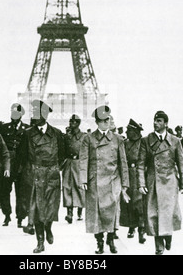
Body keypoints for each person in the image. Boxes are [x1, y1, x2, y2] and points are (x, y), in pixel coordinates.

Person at [79, 105, 129, 254]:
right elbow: (84, 160)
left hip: (113, 181)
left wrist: (125, 183)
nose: (106, 122)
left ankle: (111, 240)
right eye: (102, 120)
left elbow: (123, 162)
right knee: (96, 214)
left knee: (113, 212)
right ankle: (99, 242)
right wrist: (83, 180)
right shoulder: (88, 138)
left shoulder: (118, 139)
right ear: (97, 122)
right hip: (95, 181)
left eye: (107, 119)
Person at [16, 99, 65, 253]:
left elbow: (63, 154)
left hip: (52, 174)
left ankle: (48, 227)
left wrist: (55, 168)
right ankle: (40, 242)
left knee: (50, 208)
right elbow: (21, 155)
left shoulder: (56, 133)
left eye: (36, 113)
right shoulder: (28, 134)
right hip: (35, 174)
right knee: (37, 210)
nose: (34, 116)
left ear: (44, 114)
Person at [137, 111, 183, 255]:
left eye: (159, 121)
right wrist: (141, 183)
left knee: (168, 212)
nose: (155, 123)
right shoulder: (146, 140)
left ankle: (168, 235)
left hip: (170, 182)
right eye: (154, 120)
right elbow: (141, 164)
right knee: (153, 213)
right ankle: (158, 246)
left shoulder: (175, 141)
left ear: (166, 123)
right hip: (152, 182)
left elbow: (182, 164)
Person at [0, 103, 32, 232]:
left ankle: (20, 217)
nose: (14, 116)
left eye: (17, 113)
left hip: (21, 162)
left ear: (21, 115)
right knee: (5, 190)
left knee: (21, 192)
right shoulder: (4, 128)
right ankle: (7, 214)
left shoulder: (27, 129)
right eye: (12, 113)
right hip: (8, 163)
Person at [120, 119, 146, 244]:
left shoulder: (143, 143)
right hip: (127, 174)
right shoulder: (125, 143)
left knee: (139, 202)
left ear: (135, 131)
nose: (126, 132)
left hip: (139, 174)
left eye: (129, 130)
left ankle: (141, 229)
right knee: (128, 202)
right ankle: (131, 227)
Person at [62, 114, 86, 223]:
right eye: (70, 121)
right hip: (69, 162)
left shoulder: (84, 137)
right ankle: (69, 213)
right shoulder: (66, 137)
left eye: (73, 122)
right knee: (67, 186)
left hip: (79, 163)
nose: (70, 124)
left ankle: (80, 210)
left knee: (79, 186)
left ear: (77, 123)